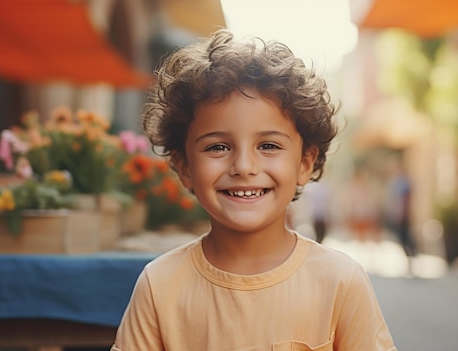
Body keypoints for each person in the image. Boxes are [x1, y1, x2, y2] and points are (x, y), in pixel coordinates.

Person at [111, 29, 396, 351]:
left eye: (269, 145)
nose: (244, 166)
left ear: (305, 163)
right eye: (217, 147)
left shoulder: (340, 281)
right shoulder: (159, 285)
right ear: (185, 166)